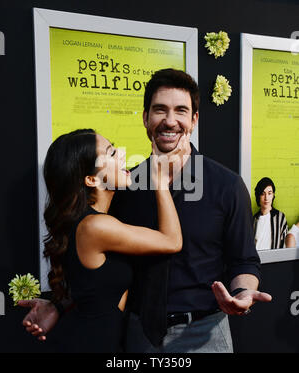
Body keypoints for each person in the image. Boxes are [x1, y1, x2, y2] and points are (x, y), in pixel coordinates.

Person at [19, 69, 272, 353]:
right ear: (145, 118)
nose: (170, 120)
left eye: (181, 110)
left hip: (204, 335)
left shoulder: (226, 185)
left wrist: (243, 292)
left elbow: (245, 261)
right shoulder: (123, 186)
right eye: (160, 110)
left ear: (194, 120)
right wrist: (60, 305)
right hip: (139, 335)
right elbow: (99, 271)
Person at [22, 128, 186, 352]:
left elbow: (92, 291)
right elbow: (172, 241)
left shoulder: (93, 221)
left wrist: (57, 307)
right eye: (110, 153)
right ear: (91, 179)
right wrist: (158, 179)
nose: (121, 153)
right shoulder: (95, 226)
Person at [253, 177, 288, 250]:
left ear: (273, 195)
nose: (266, 198)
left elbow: (284, 245)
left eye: (269, 193)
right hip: (256, 260)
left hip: (275, 259)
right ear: (258, 196)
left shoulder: (280, 217)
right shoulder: (253, 220)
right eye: (263, 194)